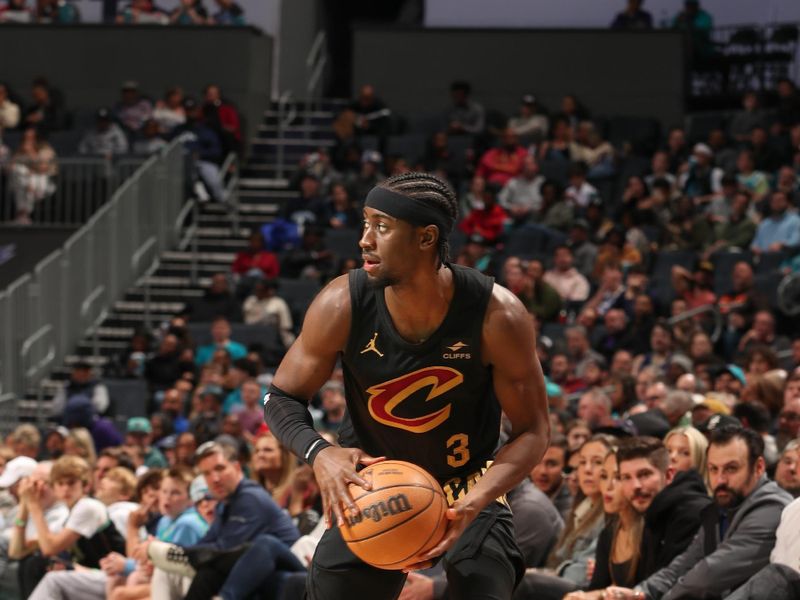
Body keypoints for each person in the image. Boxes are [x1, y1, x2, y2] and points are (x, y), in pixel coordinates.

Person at [263, 171, 549, 599]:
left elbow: (534, 431)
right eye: (365, 224)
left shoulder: (497, 315)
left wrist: (474, 503)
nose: (364, 239)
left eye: (381, 226)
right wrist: (320, 454)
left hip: (467, 484)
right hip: (373, 487)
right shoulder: (341, 303)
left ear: (425, 238)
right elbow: (280, 396)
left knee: (483, 586)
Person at [606, 425, 793, 600]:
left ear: (759, 467)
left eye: (731, 468)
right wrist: (641, 593)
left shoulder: (772, 508)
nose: (720, 479)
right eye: (713, 469)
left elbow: (711, 573)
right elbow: (685, 563)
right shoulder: (721, 506)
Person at [147, 441, 299, 599]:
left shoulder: (251, 497)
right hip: (255, 576)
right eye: (206, 474)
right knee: (207, 573)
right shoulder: (224, 504)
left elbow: (224, 550)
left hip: (286, 572)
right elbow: (207, 544)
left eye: (220, 468)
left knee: (214, 567)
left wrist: (171, 552)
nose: (215, 478)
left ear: (237, 467)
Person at [7, 126, 57, 225]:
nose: (28, 140)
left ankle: (22, 215)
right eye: (25, 138)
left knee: (24, 180)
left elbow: (43, 168)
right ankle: (24, 215)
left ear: (36, 139)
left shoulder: (45, 150)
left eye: (31, 138)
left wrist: (30, 154)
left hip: (41, 182)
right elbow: (9, 168)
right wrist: (26, 170)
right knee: (19, 172)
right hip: (25, 184)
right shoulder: (19, 152)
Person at [531, 435, 573, 518]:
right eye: (537, 462)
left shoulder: (570, 511)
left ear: (565, 467)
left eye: (552, 464)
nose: (543, 471)